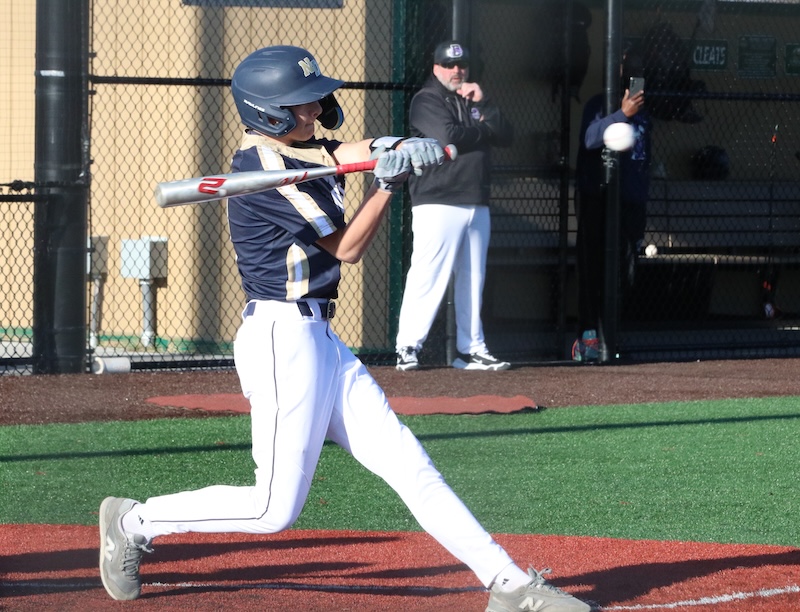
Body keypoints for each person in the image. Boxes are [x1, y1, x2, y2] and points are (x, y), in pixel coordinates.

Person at [97, 45, 590, 612]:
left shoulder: (301, 147)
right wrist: (386, 187)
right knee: (272, 509)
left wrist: (399, 145)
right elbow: (348, 248)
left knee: (408, 463)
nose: (314, 109)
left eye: (313, 99)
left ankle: (507, 584)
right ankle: (133, 522)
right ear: (268, 112)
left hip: (322, 341)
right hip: (282, 339)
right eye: (301, 103)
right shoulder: (263, 172)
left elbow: (349, 150)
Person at [395, 41, 514, 372]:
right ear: (436, 68)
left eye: (461, 65)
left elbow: (506, 135)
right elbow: (448, 136)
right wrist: (483, 129)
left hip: (476, 199)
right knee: (428, 272)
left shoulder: (473, 97)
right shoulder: (426, 98)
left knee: (473, 277)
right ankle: (408, 346)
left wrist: (484, 104)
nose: (457, 70)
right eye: (449, 65)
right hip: (438, 198)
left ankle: (471, 349)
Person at [573, 49, 652, 362]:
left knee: (625, 273)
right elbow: (590, 138)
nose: (632, 75)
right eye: (625, 68)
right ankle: (588, 338)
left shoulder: (645, 112)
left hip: (631, 203)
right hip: (598, 200)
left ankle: (612, 337)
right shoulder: (600, 104)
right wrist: (622, 114)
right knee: (593, 269)